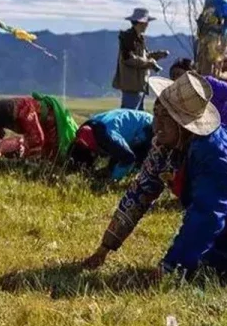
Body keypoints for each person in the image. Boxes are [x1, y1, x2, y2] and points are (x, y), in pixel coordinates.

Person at [83, 71, 227, 280]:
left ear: (184, 125)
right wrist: (104, 248)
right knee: (204, 265)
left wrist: (169, 267)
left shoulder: (213, 152)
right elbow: (140, 193)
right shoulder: (164, 147)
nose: (156, 125)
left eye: (166, 117)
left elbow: (207, 214)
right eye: (156, 113)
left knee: (210, 271)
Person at [0, 93, 78, 161]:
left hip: (49, 121)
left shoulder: (24, 112)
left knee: (53, 154)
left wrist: (30, 161)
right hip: (34, 129)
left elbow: (37, 139)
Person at [68, 109, 153, 180]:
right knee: (117, 155)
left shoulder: (109, 136)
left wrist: (111, 179)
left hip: (148, 126)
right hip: (131, 122)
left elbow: (129, 158)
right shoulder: (88, 127)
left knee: (138, 162)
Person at [112, 8, 170, 110]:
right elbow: (129, 59)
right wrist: (150, 63)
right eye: (146, 22)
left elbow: (143, 56)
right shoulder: (129, 38)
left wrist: (158, 55)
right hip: (132, 86)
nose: (147, 25)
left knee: (135, 115)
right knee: (130, 116)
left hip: (138, 85)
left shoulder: (138, 38)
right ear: (141, 23)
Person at [169, 58, 227, 122]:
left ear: (191, 73)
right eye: (172, 76)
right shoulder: (179, 97)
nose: (175, 79)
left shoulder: (208, 83)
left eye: (178, 74)